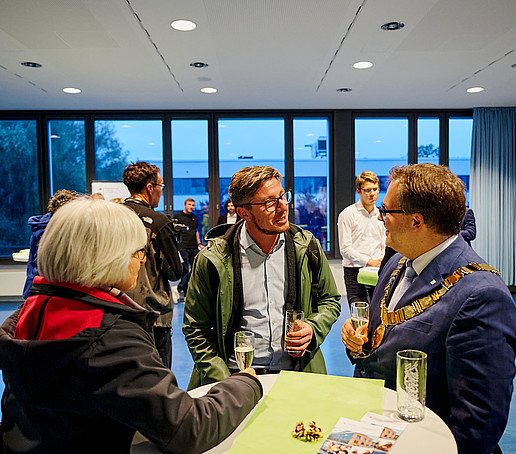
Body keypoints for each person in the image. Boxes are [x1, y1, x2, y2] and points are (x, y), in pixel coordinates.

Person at [0, 198, 262, 453]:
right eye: (138, 251)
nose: (142, 260)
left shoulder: (30, 312)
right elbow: (187, 427)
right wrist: (244, 383)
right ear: (107, 256)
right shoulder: (111, 338)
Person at [341, 163, 516, 454]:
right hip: (376, 431)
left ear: (416, 221)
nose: (381, 219)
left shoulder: (482, 295)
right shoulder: (398, 262)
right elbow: (379, 342)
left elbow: (477, 425)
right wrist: (357, 343)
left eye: (387, 212)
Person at [183, 166, 341, 389]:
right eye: (269, 202)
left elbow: (330, 300)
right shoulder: (213, 259)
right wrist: (222, 378)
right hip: (235, 377)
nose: (282, 207)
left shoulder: (307, 247)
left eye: (282, 196)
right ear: (243, 213)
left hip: (295, 373)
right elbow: (195, 328)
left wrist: (313, 328)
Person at [123, 161, 183, 368]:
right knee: (159, 376)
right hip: (152, 316)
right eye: (161, 187)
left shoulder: (110, 216)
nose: (161, 192)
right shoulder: (158, 222)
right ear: (150, 188)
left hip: (115, 311)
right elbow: (176, 272)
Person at [337, 171, 385, 306]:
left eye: (375, 189)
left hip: (377, 270)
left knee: (379, 314)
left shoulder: (382, 215)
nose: (372, 194)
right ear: (359, 191)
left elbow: (384, 242)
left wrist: (382, 260)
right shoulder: (347, 214)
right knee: (360, 315)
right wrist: (370, 261)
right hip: (355, 272)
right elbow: (345, 249)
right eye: (367, 190)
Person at [22, 189, 80, 299]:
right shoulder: (46, 231)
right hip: (44, 289)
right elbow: (43, 268)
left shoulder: (41, 227)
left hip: (38, 287)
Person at [174, 198, 204, 300]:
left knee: (195, 268)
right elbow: (174, 232)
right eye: (189, 205)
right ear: (185, 205)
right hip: (183, 247)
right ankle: (182, 288)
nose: (191, 207)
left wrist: (199, 243)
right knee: (186, 269)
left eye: (193, 205)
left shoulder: (194, 217)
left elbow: (196, 231)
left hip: (194, 246)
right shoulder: (178, 216)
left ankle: (183, 288)